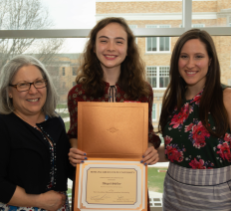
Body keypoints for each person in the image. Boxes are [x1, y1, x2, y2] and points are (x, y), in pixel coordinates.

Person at [67, 17, 161, 210]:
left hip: (130, 187)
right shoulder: (78, 93)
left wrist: (151, 149)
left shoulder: (143, 92)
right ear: (93, 47)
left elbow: (147, 135)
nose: (111, 47)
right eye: (103, 40)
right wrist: (74, 152)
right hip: (92, 187)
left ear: (128, 49)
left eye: (119, 41)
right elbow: (75, 136)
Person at [158, 29, 231, 211]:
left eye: (198, 56)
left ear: (210, 60)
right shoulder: (173, 100)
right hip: (173, 196)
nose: (190, 64)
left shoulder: (229, 98)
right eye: (184, 56)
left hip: (217, 200)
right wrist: (145, 152)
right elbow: (176, 150)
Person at [0, 55, 73, 211]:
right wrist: (40, 201)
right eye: (23, 85)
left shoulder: (55, 121)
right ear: (9, 91)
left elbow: (65, 167)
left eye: (38, 82)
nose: (33, 90)